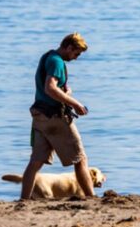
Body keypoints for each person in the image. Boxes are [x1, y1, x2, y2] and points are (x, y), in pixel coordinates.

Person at [19, 32, 95, 200]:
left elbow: (52, 87)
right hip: (55, 117)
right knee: (80, 158)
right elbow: (50, 88)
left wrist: (66, 92)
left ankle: (23, 200)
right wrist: (75, 104)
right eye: (76, 53)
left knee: (36, 162)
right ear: (69, 47)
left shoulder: (47, 56)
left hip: (39, 116)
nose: (76, 58)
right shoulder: (57, 62)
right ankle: (91, 198)